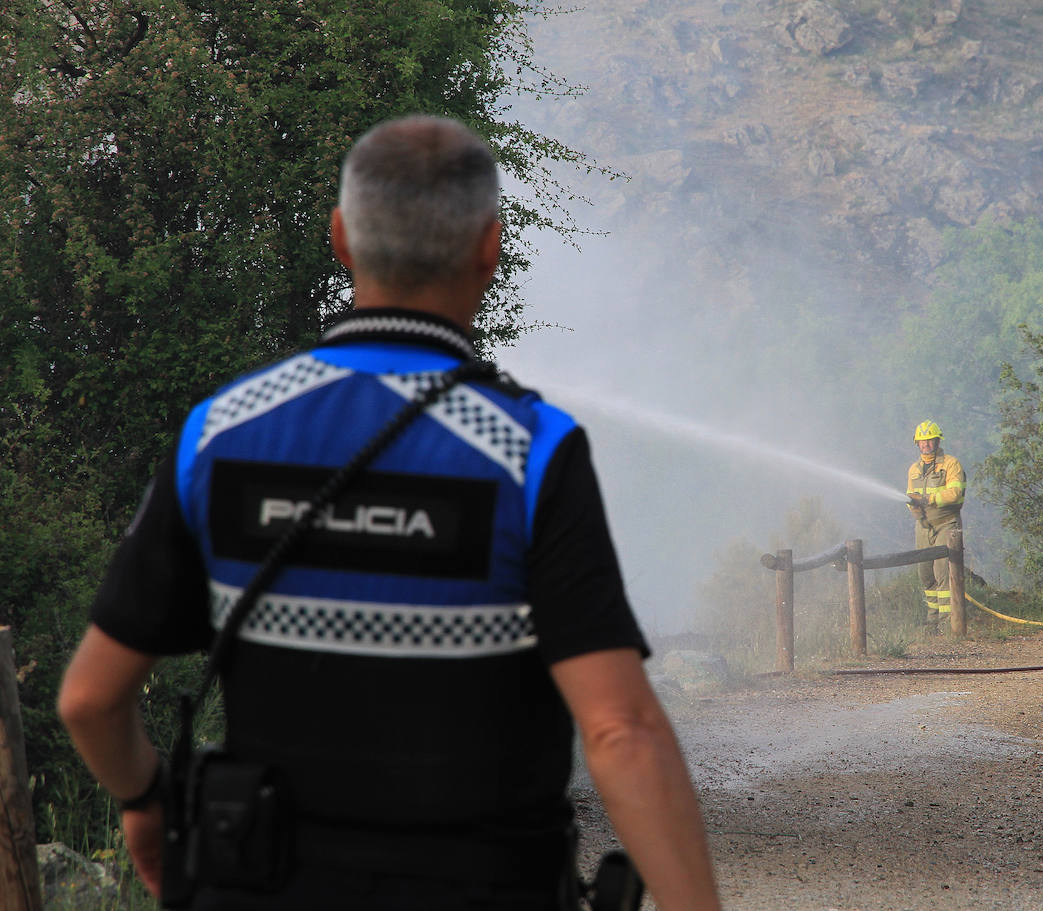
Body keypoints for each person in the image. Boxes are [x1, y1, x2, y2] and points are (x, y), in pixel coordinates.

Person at [58, 114, 722, 911]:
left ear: (340, 240)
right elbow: (620, 730)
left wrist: (145, 798)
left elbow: (89, 699)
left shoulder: (221, 433)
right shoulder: (530, 450)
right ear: (490, 248)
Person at [906, 420, 966, 625]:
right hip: (923, 526)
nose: (926, 444)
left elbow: (956, 493)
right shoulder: (914, 469)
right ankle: (932, 622)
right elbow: (910, 495)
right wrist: (912, 506)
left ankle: (949, 623)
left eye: (930, 440)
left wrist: (929, 500)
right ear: (917, 443)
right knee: (926, 575)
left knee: (943, 574)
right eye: (922, 441)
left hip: (946, 524)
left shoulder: (951, 464)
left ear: (938, 440)